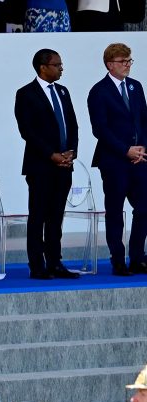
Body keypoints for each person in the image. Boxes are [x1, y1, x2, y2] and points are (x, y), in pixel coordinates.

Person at [15, 49, 80, 280]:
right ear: (43, 67)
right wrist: (51, 154)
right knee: (38, 216)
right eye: (57, 64)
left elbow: (73, 125)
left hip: (64, 165)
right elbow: (28, 131)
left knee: (56, 217)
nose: (61, 68)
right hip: (40, 166)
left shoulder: (63, 91)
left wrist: (71, 152)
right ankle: (37, 265)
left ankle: (55, 262)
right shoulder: (26, 94)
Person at [88, 43, 147, 276]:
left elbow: (143, 120)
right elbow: (100, 129)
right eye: (123, 61)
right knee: (115, 210)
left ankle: (137, 257)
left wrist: (141, 148)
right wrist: (126, 150)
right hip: (114, 161)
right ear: (110, 64)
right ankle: (117, 259)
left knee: (144, 207)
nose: (127, 65)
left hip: (139, 160)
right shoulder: (99, 91)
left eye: (129, 61)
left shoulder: (136, 87)